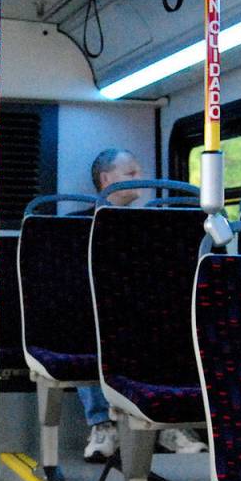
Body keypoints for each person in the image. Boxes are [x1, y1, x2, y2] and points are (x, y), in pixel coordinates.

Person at [80, 147, 207, 461]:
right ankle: (102, 423)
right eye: (131, 173)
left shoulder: (154, 226)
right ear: (107, 179)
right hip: (97, 310)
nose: (141, 179)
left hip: (146, 311)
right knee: (91, 327)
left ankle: (167, 423)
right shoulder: (81, 226)